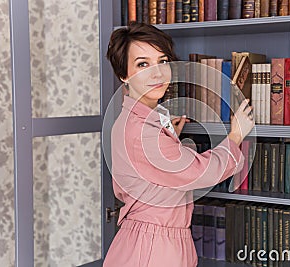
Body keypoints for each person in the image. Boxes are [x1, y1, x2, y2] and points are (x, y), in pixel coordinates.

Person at [103, 22, 255, 267]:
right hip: (152, 247)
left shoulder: (141, 122)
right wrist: (235, 136)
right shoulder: (142, 131)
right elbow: (197, 173)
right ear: (124, 75)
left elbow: (155, 173)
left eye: (163, 62)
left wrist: (167, 136)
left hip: (157, 240)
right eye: (143, 64)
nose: (157, 73)